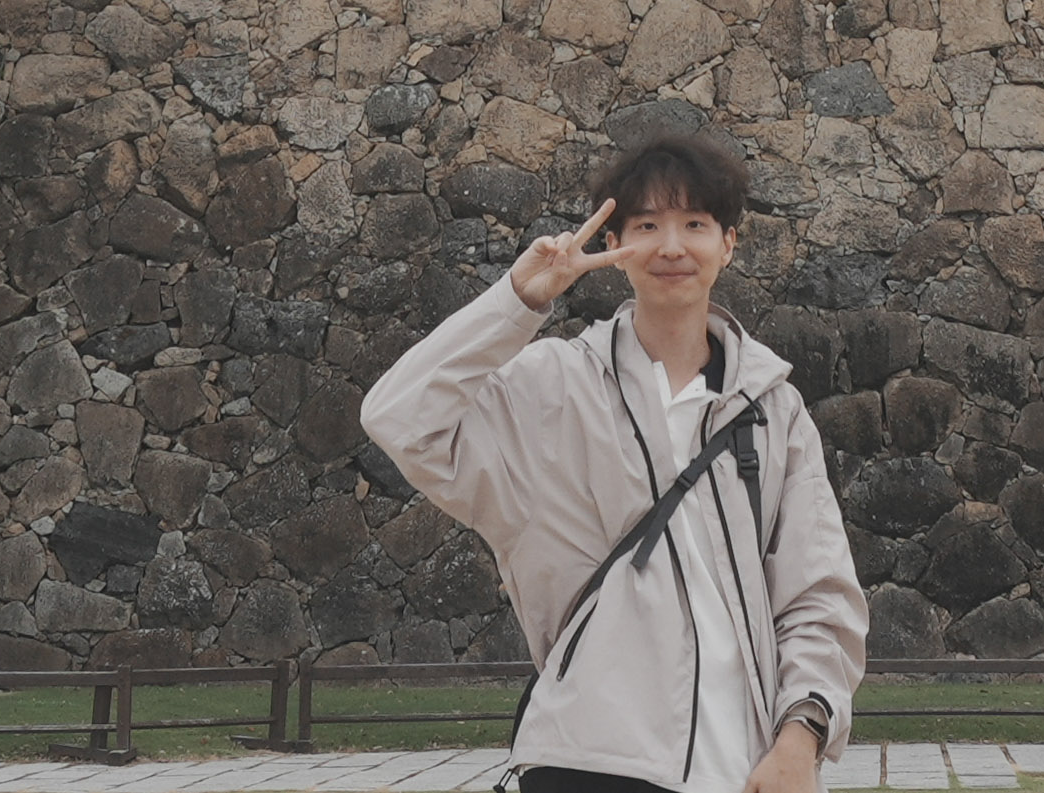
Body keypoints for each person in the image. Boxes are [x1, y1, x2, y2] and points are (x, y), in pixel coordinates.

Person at [360, 124, 868, 793]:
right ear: (613, 245)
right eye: (647, 223)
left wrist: (801, 734)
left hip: (746, 767)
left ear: (728, 243)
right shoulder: (552, 385)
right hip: (590, 759)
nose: (672, 246)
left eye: (694, 222)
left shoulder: (773, 409)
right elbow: (398, 416)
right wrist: (518, 302)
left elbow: (818, 592)